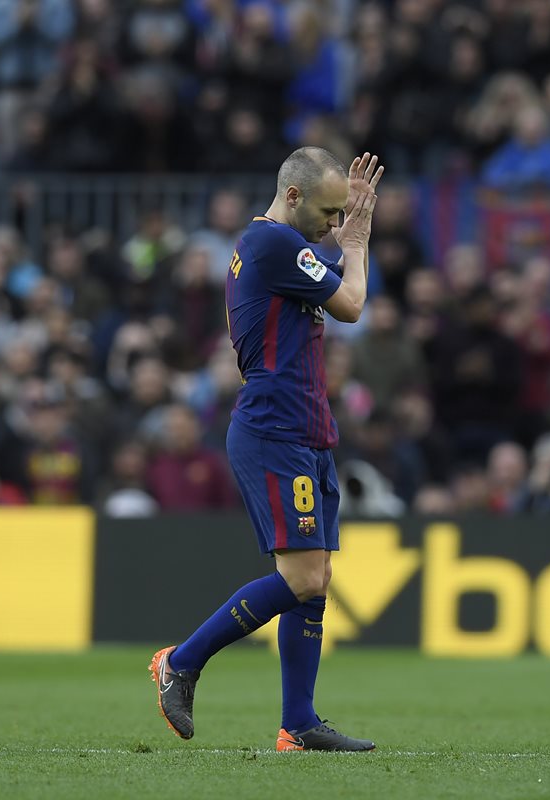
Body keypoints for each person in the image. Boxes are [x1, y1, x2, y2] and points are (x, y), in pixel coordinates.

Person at [148, 148, 383, 753]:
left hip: (306, 427)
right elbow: (352, 304)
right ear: (296, 197)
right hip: (273, 428)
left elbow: (329, 283)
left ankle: (298, 724)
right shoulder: (271, 245)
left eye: (342, 215)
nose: (335, 223)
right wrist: (356, 240)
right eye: (329, 212)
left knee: (317, 577)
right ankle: (182, 659)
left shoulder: (284, 251)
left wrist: (347, 238)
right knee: (302, 575)